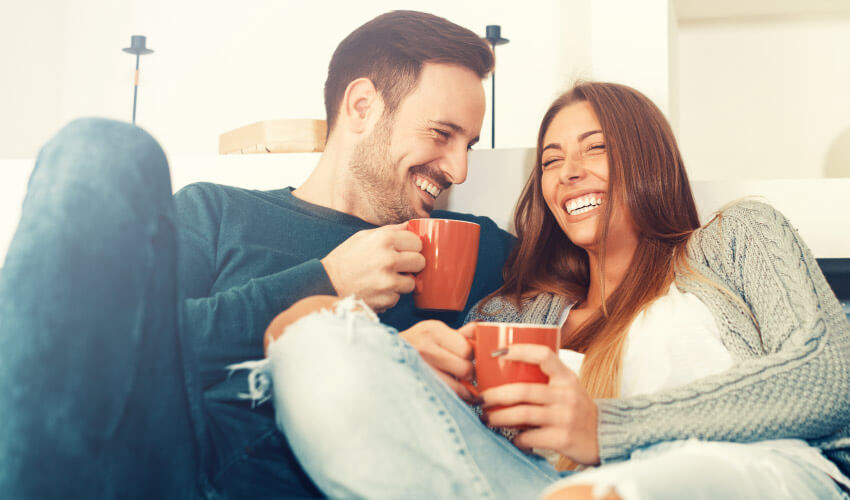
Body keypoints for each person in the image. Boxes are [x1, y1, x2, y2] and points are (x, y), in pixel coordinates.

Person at [0, 11, 513, 499]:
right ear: (362, 106)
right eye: (442, 134)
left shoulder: (464, 245)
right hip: (167, 466)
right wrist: (325, 282)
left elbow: (587, 276)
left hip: (313, 480)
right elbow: (106, 350)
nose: (459, 169)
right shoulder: (216, 213)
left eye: (467, 143)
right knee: (100, 150)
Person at [259, 82, 850, 499]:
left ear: (650, 159)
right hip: (541, 489)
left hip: (744, 473)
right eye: (551, 160)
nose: (568, 172)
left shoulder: (735, 240)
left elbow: (832, 377)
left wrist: (605, 428)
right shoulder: (513, 312)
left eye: (596, 147)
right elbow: (470, 447)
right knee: (307, 332)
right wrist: (419, 366)